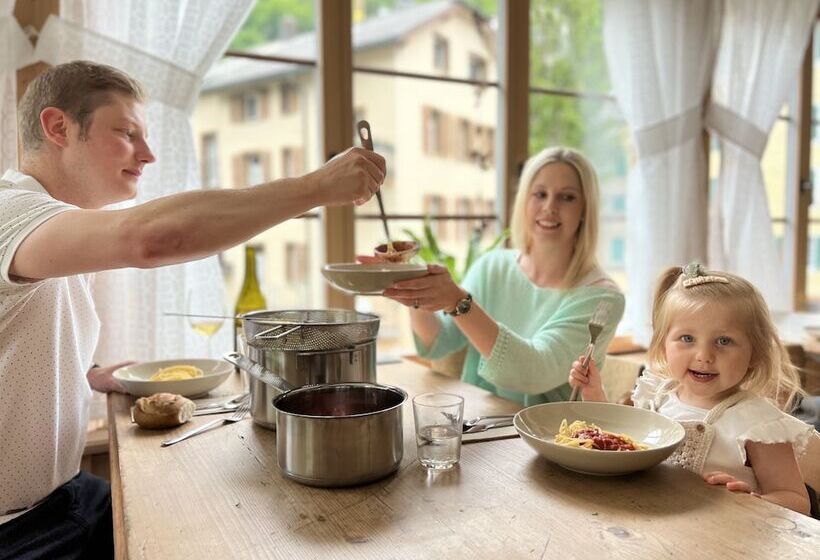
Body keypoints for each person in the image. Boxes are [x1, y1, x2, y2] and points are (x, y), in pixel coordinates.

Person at [0, 60, 386, 559]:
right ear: (58, 128)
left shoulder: (50, 223)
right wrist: (315, 188)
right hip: (18, 529)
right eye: (127, 133)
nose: (148, 154)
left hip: (64, 498)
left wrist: (89, 373)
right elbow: (153, 239)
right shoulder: (11, 214)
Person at [569, 263, 818, 518]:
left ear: (754, 353)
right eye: (687, 338)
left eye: (724, 341)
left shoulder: (757, 423)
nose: (704, 356)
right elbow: (623, 446)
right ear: (663, 343)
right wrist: (594, 394)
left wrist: (754, 502)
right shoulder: (657, 396)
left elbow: (797, 501)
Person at [381, 147, 624, 406]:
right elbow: (440, 342)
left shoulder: (603, 298)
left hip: (548, 437)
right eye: (540, 194)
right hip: (478, 425)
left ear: (585, 208)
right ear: (524, 201)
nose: (550, 207)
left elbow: (533, 371)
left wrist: (457, 301)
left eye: (567, 197)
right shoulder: (492, 266)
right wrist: (416, 287)